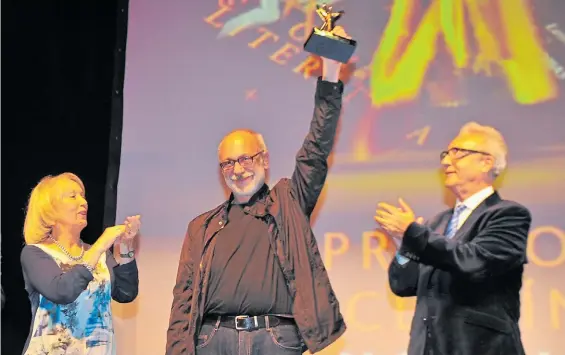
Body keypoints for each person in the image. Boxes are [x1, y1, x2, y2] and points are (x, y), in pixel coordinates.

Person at [166, 26, 350, 355]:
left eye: (246, 158)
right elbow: (183, 300)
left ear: (264, 159)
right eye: (228, 163)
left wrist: (331, 71)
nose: (238, 169)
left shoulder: (288, 203)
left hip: (275, 340)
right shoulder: (201, 227)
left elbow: (316, 149)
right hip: (212, 341)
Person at [374, 122, 531, 355]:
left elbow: (473, 262)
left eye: (457, 153)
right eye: (446, 154)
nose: (446, 161)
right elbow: (403, 285)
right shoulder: (435, 224)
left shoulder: (508, 214)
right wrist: (405, 244)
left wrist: (413, 233)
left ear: (486, 162)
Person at [20, 172, 141, 355]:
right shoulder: (35, 253)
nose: (83, 202)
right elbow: (62, 291)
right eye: (72, 196)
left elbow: (126, 293)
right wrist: (101, 244)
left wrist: (125, 246)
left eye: (83, 196)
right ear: (49, 210)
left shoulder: (98, 254)